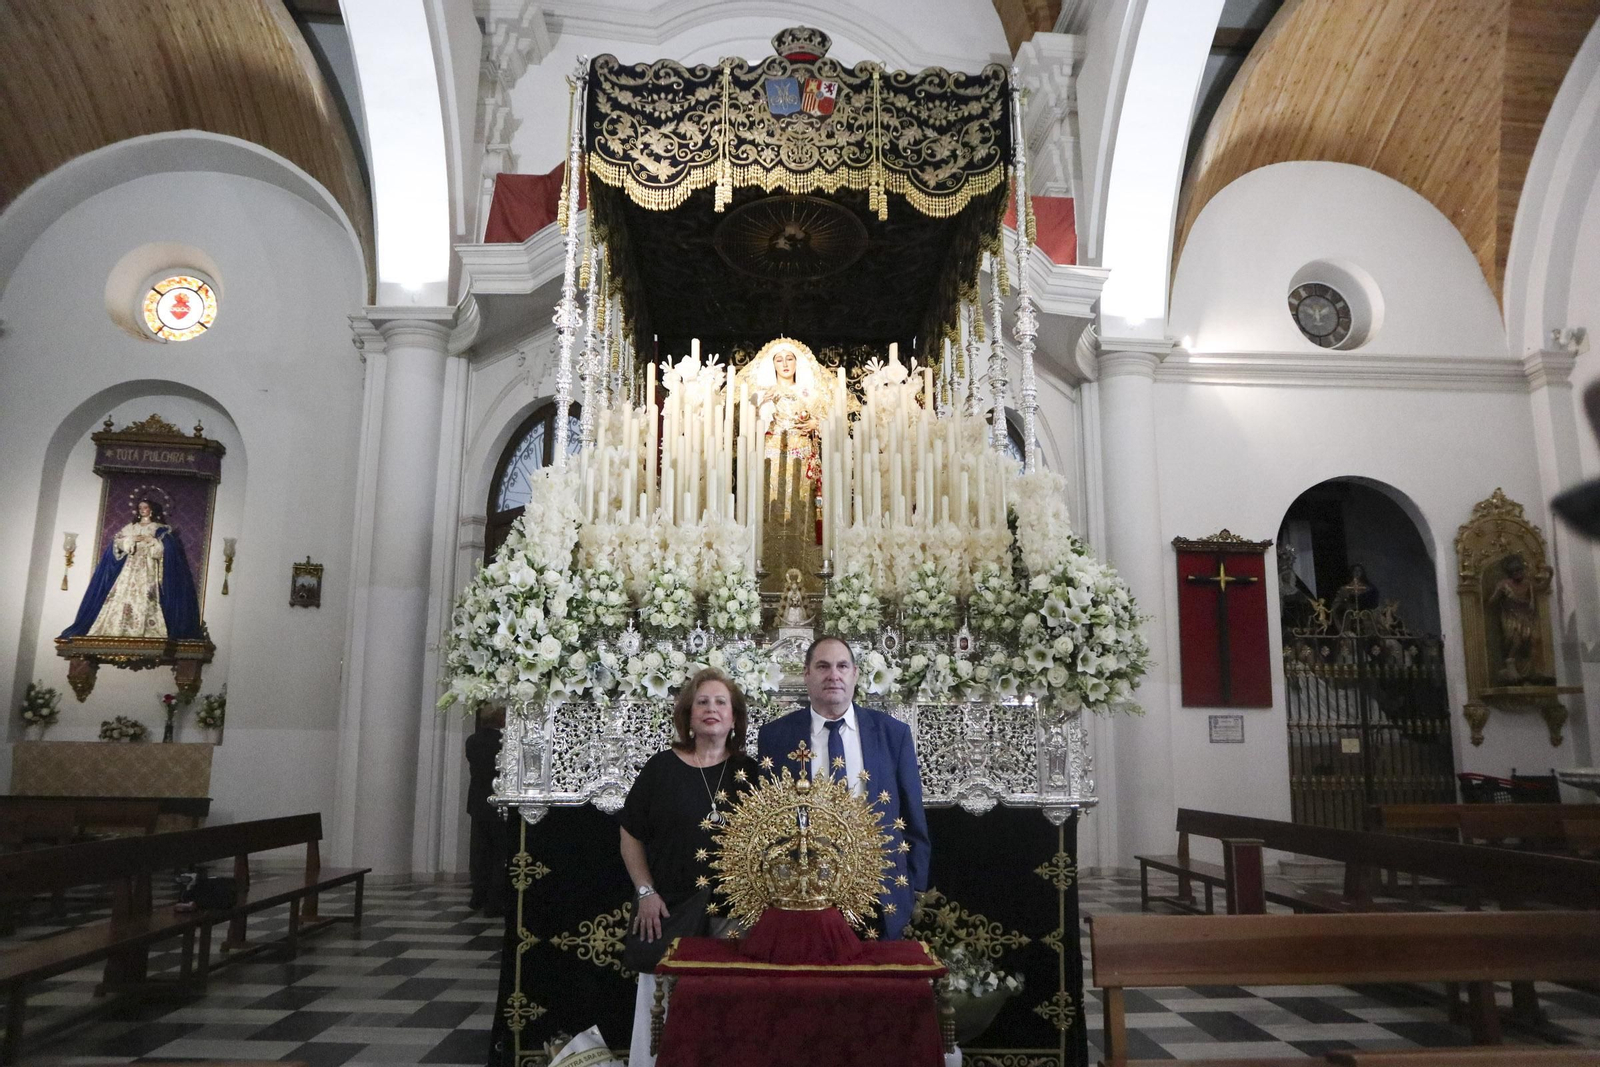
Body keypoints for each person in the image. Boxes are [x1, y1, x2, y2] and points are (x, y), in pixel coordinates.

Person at [620, 668, 758, 1067]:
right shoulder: (662, 768)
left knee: (724, 1014)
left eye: (721, 703)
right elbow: (631, 835)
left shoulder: (749, 774)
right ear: (688, 715)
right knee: (662, 1013)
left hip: (732, 917)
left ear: (734, 718)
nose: (711, 709)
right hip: (669, 909)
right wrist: (645, 892)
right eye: (702, 702)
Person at [756, 635, 930, 940]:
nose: (833, 675)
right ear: (807, 674)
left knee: (878, 984)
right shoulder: (776, 737)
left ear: (855, 674)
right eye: (822, 666)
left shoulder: (892, 734)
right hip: (805, 891)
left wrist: (913, 886)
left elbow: (913, 815)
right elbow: (767, 821)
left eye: (842, 666)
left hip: (882, 890)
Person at [60, 498, 203, 640]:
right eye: (140, 507)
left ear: (151, 510)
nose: (142, 510)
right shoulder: (130, 528)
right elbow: (117, 542)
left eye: (145, 507)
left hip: (148, 567)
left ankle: (148, 631)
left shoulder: (158, 528)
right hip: (129, 567)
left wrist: (153, 542)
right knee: (121, 594)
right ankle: (116, 629)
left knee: (147, 595)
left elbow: (167, 550)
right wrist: (130, 540)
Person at [464, 707, 507, 916]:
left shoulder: (472, 741)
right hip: (498, 800)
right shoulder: (503, 742)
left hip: (477, 802)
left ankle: (477, 896)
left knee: (481, 852)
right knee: (499, 853)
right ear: (499, 718)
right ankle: (494, 901)